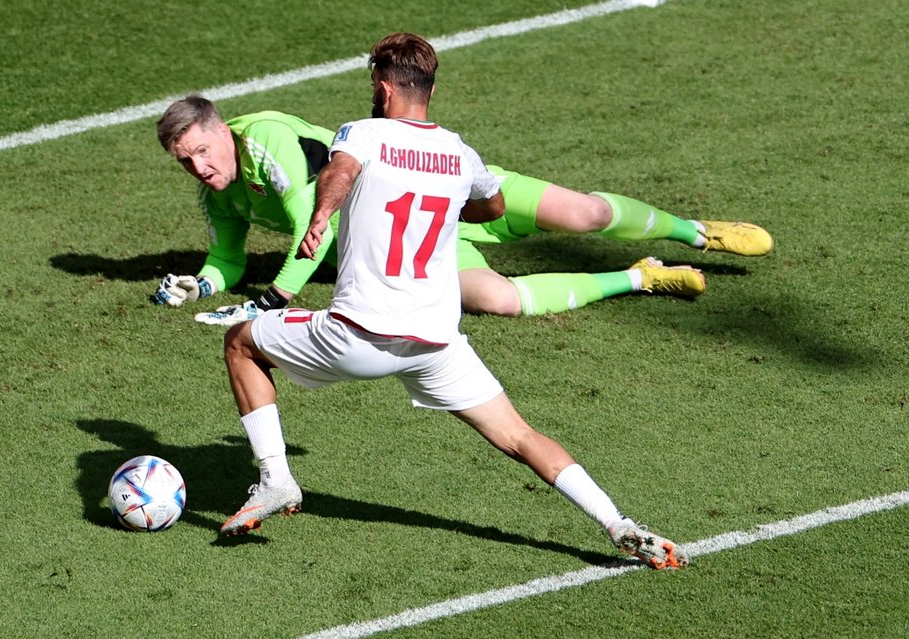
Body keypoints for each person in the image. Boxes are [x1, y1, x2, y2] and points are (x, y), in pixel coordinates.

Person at [218, 32, 688, 570]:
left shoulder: (363, 133)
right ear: (430, 89)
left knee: (241, 342)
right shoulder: (460, 153)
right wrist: (447, 213)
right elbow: (493, 206)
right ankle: (617, 522)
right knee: (518, 434)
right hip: (436, 343)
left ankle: (276, 480)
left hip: (360, 333)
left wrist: (323, 215)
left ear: (384, 85)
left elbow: (339, 172)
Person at [152, 97, 772, 322]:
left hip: (450, 188)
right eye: (186, 161)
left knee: (584, 214)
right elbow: (227, 257)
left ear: (220, 129)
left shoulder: (265, 142)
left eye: (203, 150)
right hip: (414, 249)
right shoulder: (217, 190)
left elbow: (317, 221)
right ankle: (640, 276)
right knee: (500, 300)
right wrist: (199, 283)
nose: (200, 167)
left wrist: (274, 299)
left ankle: (696, 231)